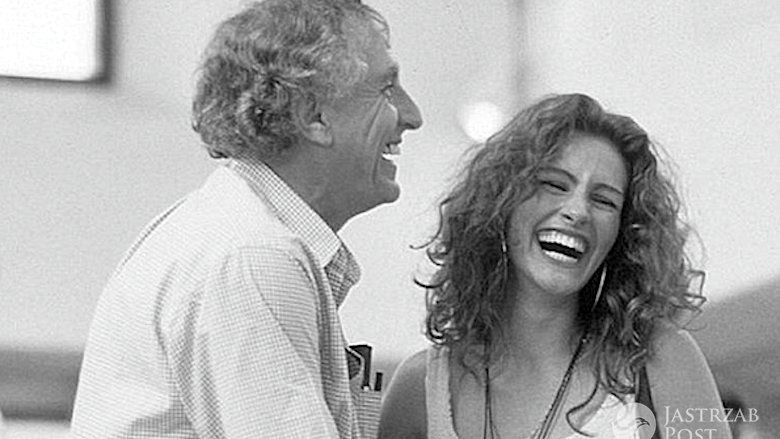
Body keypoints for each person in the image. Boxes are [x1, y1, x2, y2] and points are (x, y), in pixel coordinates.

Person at [70, 0, 422, 437]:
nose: (412, 116)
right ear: (313, 114)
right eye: (386, 89)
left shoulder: (228, 227)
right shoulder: (254, 257)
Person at [378, 94, 730, 439]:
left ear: (624, 234)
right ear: (500, 202)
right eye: (554, 185)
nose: (577, 211)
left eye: (604, 200)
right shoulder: (421, 390)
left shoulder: (662, 361)